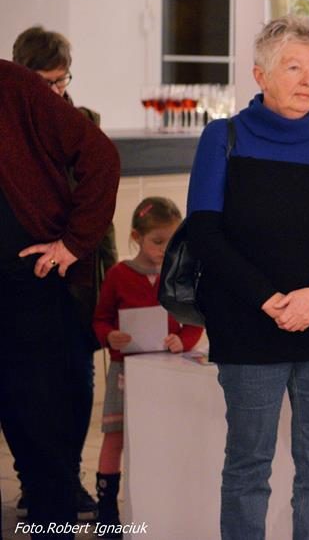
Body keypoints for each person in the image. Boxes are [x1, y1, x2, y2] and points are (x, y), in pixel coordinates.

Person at [186, 15, 309, 540]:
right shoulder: (222, 138)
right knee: (249, 465)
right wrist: (267, 298)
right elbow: (204, 233)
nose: (308, 80)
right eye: (294, 67)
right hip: (247, 327)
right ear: (261, 75)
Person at [0, 59, 119, 538]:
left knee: (41, 439)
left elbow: (101, 157)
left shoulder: (12, 85)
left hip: (27, 288)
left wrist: (73, 243)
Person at [91, 197, 203, 538]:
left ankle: (161, 502)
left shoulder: (180, 275)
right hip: (125, 373)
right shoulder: (118, 275)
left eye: (171, 241)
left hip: (167, 373)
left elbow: (194, 321)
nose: (164, 250)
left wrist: (183, 341)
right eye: (157, 241)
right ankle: (107, 508)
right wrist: (110, 336)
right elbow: (100, 319)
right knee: (115, 437)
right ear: (136, 237)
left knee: (160, 435)